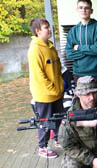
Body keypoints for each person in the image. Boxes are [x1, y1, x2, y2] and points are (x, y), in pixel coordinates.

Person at [28, 18, 64, 158]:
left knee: (58, 118)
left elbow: (58, 69)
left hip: (56, 93)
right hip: (44, 95)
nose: (49, 29)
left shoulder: (50, 47)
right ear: (37, 31)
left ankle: (58, 140)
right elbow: (39, 75)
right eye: (46, 27)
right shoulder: (35, 50)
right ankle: (42, 147)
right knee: (45, 121)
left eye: (49, 27)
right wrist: (54, 89)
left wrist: (59, 87)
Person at [65, 0, 97, 81]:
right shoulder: (73, 31)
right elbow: (69, 54)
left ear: (91, 11)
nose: (83, 10)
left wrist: (79, 48)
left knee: (94, 94)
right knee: (79, 94)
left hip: (96, 72)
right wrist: (91, 51)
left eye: (86, 8)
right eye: (81, 8)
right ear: (77, 10)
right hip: (78, 72)